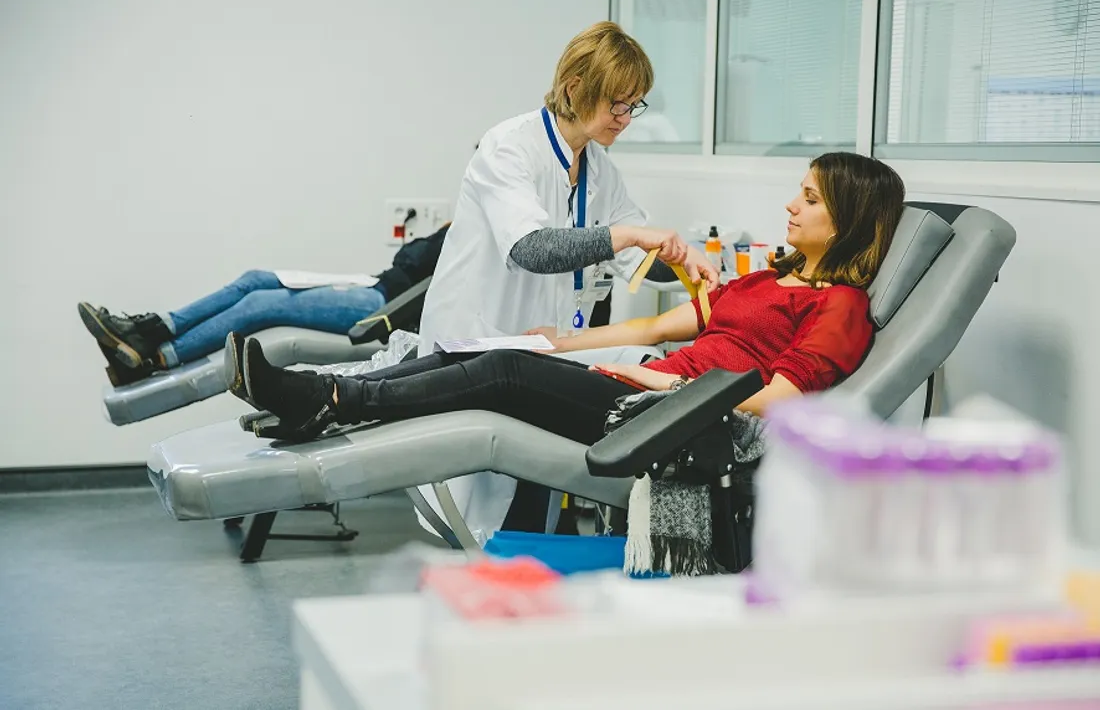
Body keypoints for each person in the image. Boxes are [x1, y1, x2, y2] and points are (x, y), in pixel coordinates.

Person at [229, 152, 906, 538]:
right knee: (486, 353)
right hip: (651, 385)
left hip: (680, 422)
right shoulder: (773, 276)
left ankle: (330, 399)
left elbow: (781, 400)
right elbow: (658, 328)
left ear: (849, 220)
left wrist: (659, 386)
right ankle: (324, 399)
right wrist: (571, 341)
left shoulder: (840, 306)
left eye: (811, 199)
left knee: (505, 374)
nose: (792, 206)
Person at [416, 21, 719, 359]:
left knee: (646, 364)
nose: (626, 118)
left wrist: (687, 257)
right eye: (618, 104)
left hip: (539, 349)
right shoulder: (509, 147)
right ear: (575, 89)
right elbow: (531, 249)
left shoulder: (601, 169)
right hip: (472, 342)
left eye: (634, 106)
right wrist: (629, 235)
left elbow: (640, 261)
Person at [77, 224, 451, 386]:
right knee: (255, 278)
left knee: (259, 304)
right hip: (372, 285)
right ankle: (152, 330)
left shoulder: (471, 234)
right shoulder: (459, 223)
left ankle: (155, 357)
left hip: (383, 305)